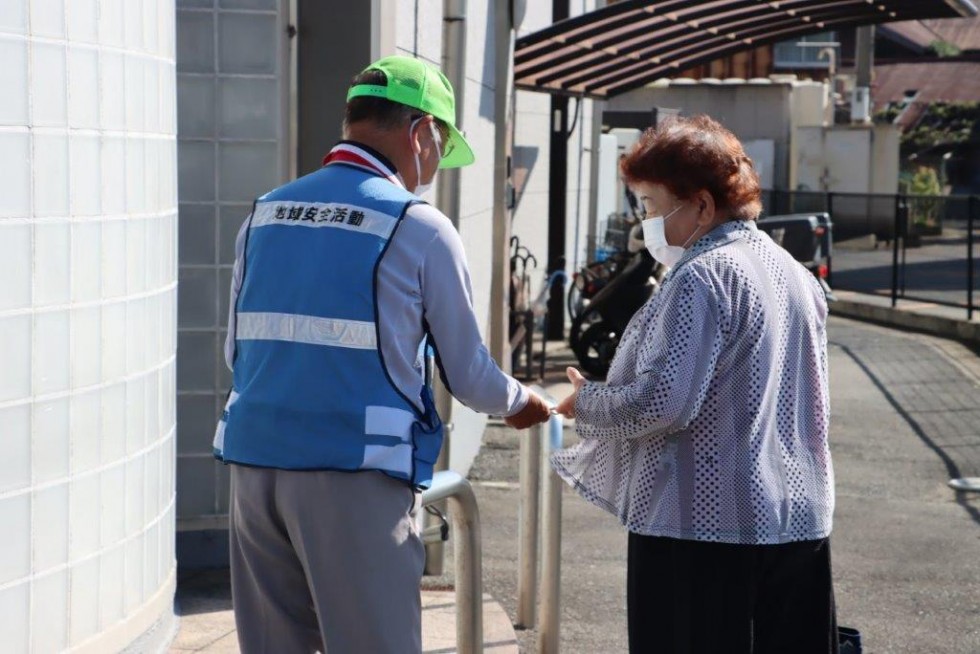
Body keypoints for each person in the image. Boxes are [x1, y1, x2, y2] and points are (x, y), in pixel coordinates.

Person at [213, 55, 551, 654]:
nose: (434, 166)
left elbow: (235, 349)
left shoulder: (265, 211)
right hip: (353, 474)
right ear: (421, 132)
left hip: (252, 463)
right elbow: (471, 377)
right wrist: (526, 402)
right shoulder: (418, 226)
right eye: (440, 147)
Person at [554, 115, 837, 654]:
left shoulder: (704, 276)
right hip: (799, 520)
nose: (646, 224)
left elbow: (664, 403)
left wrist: (586, 401)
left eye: (654, 208)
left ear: (703, 206)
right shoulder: (794, 273)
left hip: (700, 529)